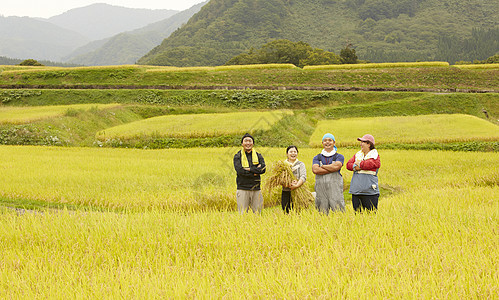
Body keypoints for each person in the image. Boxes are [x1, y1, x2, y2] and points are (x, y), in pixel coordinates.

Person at [346, 134, 381, 212]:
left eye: (363, 142)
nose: (360, 144)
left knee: (371, 216)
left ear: (369, 144)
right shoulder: (358, 155)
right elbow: (348, 165)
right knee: (358, 216)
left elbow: (372, 164)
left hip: (370, 192)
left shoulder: (375, 156)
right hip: (356, 191)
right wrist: (357, 166)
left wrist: (359, 164)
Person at [312, 133, 345, 214]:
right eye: (325, 140)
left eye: (330, 140)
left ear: (334, 143)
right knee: (321, 212)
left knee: (338, 210)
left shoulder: (339, 156)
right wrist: (331, 168)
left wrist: (322, 166)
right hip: (321, 190)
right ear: (322, 143)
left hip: (335, 189)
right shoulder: (317, 157)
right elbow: (315, 170)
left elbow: (336, 167)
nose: (327, 142)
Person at [233, 133, 266, 214]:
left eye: (250, 141)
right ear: (242, 143)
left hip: (256, 189)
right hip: (242, 188)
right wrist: (255, 171)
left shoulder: (258, 156)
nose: (248, 143)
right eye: (246, 141)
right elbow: (240, 171)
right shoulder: (238, 156)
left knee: (258, 213)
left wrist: (249, 169)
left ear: (253, 143)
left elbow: (263, 169)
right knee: (242, 214)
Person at [281, 145, 307, 214]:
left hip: (298, 191)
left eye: (295, 152)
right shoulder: (283, 165)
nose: (293, 153)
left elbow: (303, 176)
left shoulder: (301, 164)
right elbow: (279, 179)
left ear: (297, 153)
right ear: (287, 154)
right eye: (291, 152)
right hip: (286, 191)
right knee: (286, 212)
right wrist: (288, 183)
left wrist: (297, 184)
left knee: (298, 212)